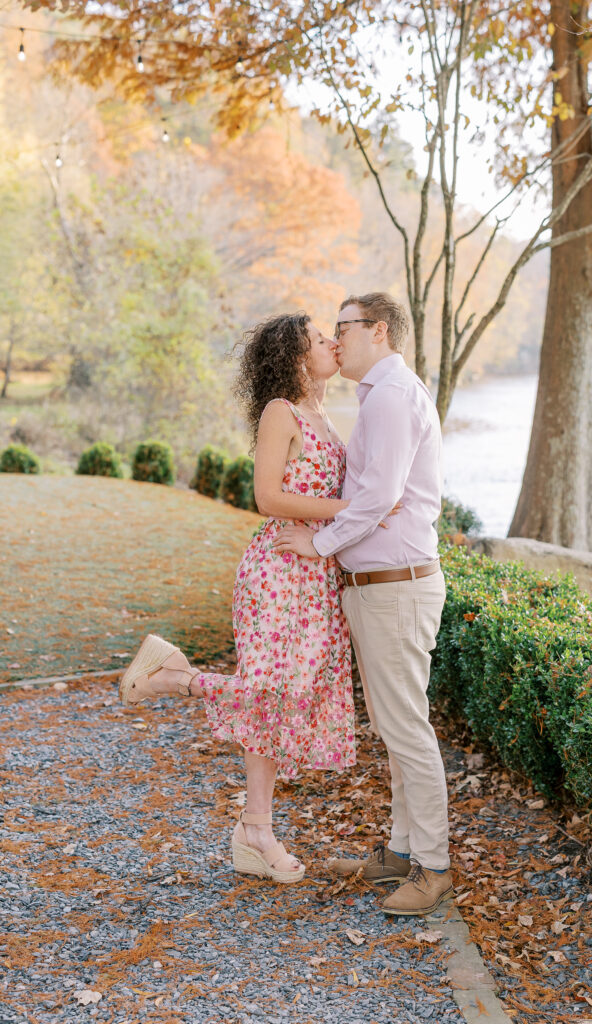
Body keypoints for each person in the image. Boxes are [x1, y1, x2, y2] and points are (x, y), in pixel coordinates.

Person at [119, 313, 368, 883]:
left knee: (288, 698)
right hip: (279, 570)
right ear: (296, 358)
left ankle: (255, 829)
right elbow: (266, 496)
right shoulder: (280, 412)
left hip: (317, 573)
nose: (333, 342)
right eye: (319, 339)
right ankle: (173, 681)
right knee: (271, 692)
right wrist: (357, 511)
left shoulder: (325, 416)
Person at [273, 292, 452, 917]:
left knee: (406, 729)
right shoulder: (377, 398)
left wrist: (318, 544)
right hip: (378, 588)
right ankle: (402, 853)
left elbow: (378, 499)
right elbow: (374, 496)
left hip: (397, 586)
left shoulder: (396, 397)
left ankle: (432, 867)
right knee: (393, 728)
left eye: (343, 328)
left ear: (378, 331)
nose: (335, 339)